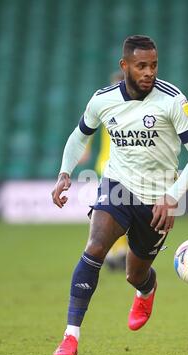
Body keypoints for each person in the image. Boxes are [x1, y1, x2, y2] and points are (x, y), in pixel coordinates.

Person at [51, 35, 188, 355]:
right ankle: (70, 336)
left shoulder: (173, 101)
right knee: (94, 249)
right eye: (141, 66)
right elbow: (79, 136)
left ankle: (146, 290)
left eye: (153, 65)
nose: (149, 71)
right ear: (125, 66)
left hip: (159, 199)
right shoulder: (103, 100)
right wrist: (65, 171)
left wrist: (172, 196)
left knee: (134, 273)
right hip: (118, 187)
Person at [78, 71, 128, 271]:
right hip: (109, 166)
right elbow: (87, 123)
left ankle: (117, 252)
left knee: (117, 212)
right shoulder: (107, 105)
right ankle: (117, 252)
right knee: (115, 212)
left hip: (124, 167)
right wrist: (85, 148)